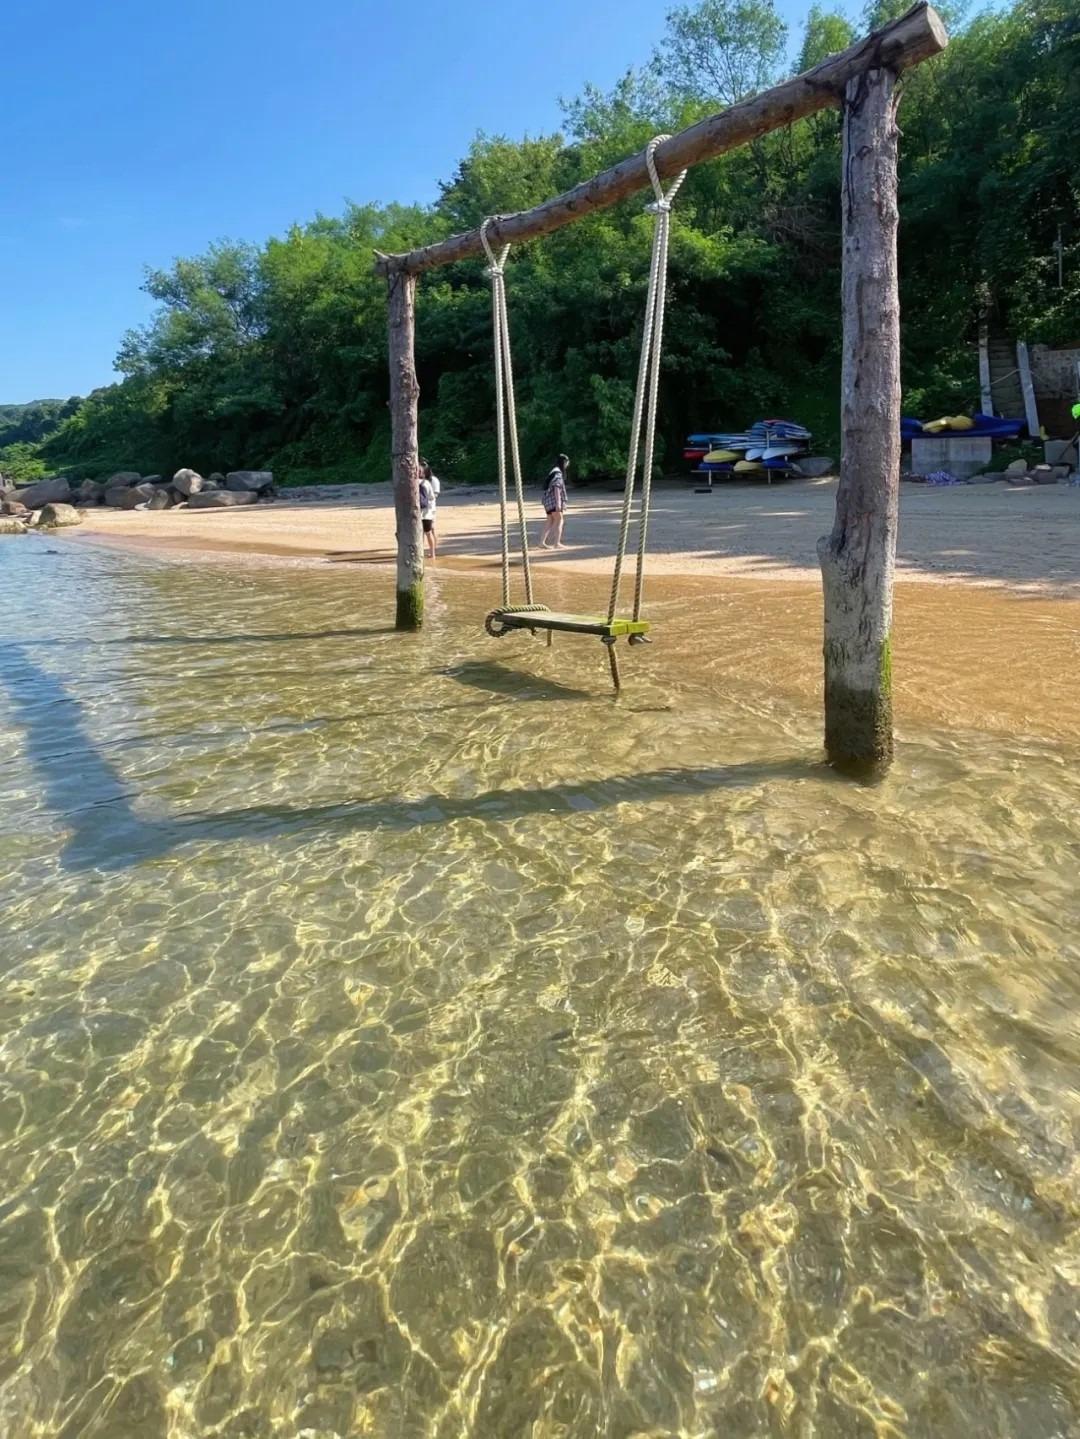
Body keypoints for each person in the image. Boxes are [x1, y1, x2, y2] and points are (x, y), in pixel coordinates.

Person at [540, 453, 569, 549]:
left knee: (550, 520)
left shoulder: (553, 471)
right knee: (560, 519)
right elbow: (557, 488)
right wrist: (558, 503)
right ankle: (557, 543)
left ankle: (541, 542)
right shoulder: (558, 473)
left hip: (547, 501)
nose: (567, 465)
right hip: (553, 501)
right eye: (567, 462)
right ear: (564, 462)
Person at [418, 459, 441, 559]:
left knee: (427, 531)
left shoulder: (432, 480)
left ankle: (430, 551)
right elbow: (432, 496)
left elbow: (433, 496)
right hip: (427, 511)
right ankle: (432, 553)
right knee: (428, 532)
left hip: (426, 510)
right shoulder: (427, 482)